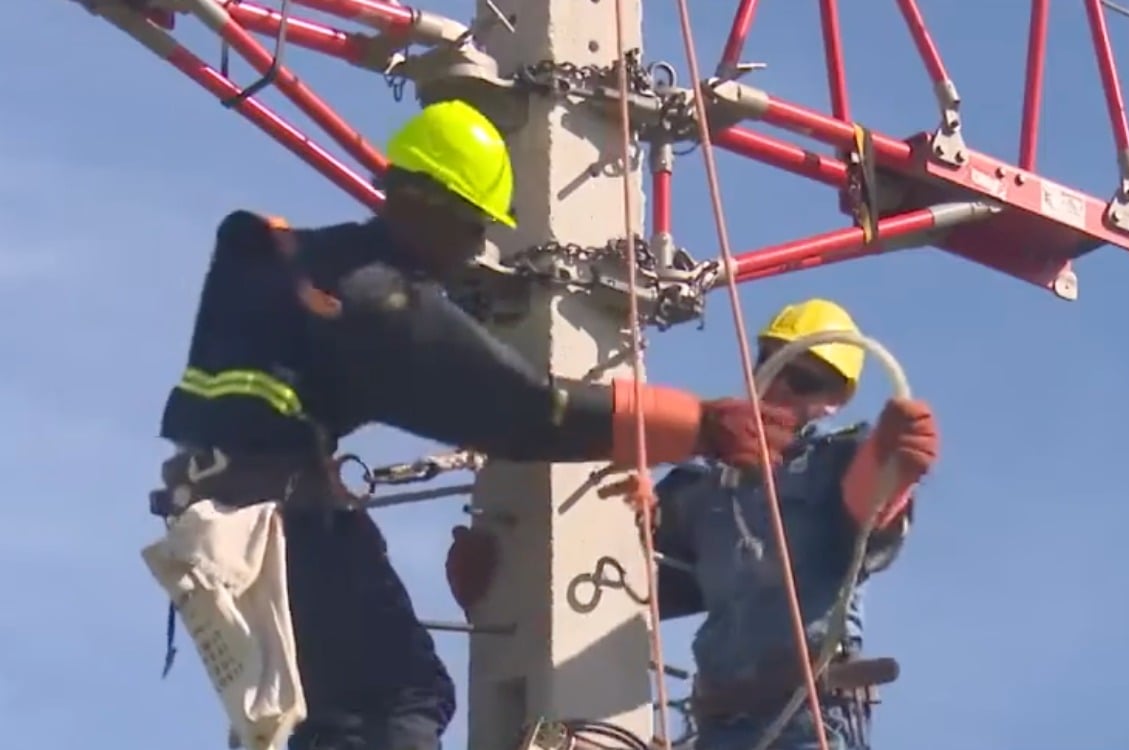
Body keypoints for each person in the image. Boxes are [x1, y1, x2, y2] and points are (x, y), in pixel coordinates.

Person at [149, 99, 798, 750]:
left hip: (224, 515)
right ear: (442, 211)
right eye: (474, 231)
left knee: (320, 706)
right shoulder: (378, 304)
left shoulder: (292, 264)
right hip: (277, 521)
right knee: (398, 701)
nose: (474, 253)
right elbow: (531, 414)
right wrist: (701, 425)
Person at [650, 299, 940, 750]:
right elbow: (637, 572)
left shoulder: (836, 462)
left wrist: (893, 463)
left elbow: (870, 506)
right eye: (772, 362)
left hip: (808, 719)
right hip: (718, 725)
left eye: (804, 379)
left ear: (834, 400)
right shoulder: (701, 482)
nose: (781, 384)